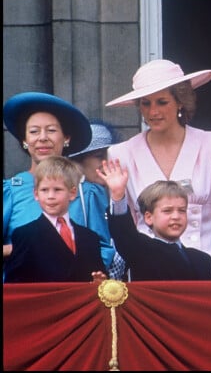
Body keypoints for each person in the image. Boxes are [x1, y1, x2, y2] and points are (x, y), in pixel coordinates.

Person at [105, 59, 211, 280]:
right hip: (148, 273)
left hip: (202, 271)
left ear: (180, 102)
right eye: (145, 103)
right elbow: (123, 225)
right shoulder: (121, 153)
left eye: (162, 102)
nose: (153, 111)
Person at [3, 92, 115, 275]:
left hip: (74, 295)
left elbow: (103, 247)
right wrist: (18, 248)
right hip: (25, 295)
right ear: (24, 140)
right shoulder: (11, 191)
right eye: (34, 131)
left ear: (66, 138)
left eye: (52, 130)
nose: (42, 137)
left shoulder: (86, 192)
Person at [97, 159, 211, 281]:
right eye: (167, 211)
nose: (176, 216)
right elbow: (124, 233)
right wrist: (118, 194)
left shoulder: (203, 260)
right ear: (149, 217)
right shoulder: (141, 250)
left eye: (182, 210)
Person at [4, 156, 107, 282]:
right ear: (36, 194)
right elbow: (15, 285)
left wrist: (101, 282)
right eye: (44, 190)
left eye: (57, 190)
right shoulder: (24, 234)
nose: (50, 196)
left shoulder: (90, 237)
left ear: (72, 193)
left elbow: (100, 277)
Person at [69, 121, 127, 280]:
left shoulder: (112, 189)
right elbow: (101, 244)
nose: (106, 163)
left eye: (110, 156)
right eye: (99, 156)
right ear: (80, 161)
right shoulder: (88, 192)